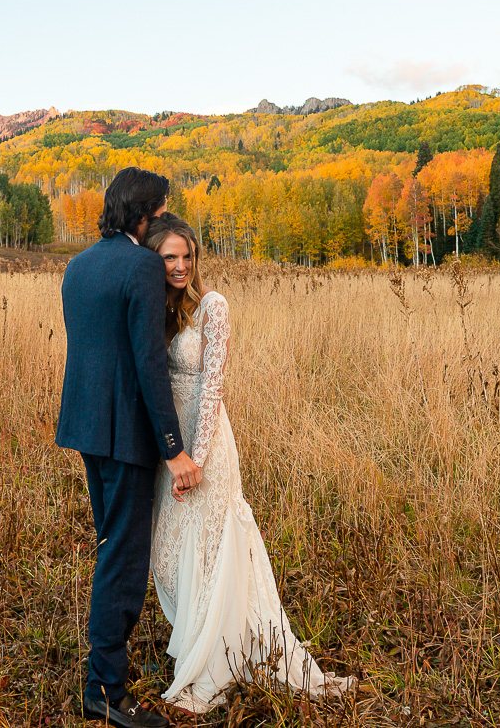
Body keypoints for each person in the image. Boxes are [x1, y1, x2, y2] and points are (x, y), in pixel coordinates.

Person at [142, 213, 354, 714]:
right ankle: (194, 640)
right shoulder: (157, 308)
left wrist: (195, 454)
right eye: (168, 257)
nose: (178, 266)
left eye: (186, 256)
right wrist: (168, 454)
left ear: (196, 259)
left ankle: (214, 660)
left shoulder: (212, 306)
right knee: (171, 555)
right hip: (167, 448)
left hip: (204, 444)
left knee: (212, 548)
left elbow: (212, 386)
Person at [56, 169, 203, 728]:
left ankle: (104, 672)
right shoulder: (141, 265)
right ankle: (105, 691)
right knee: (123, 556)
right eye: (160, 210)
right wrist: (174, 448)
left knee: (109, 545)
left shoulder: (78, 265)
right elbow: (146, 362)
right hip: (125, 434)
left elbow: (94, 348)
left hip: (85, 428)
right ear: (144, 214)